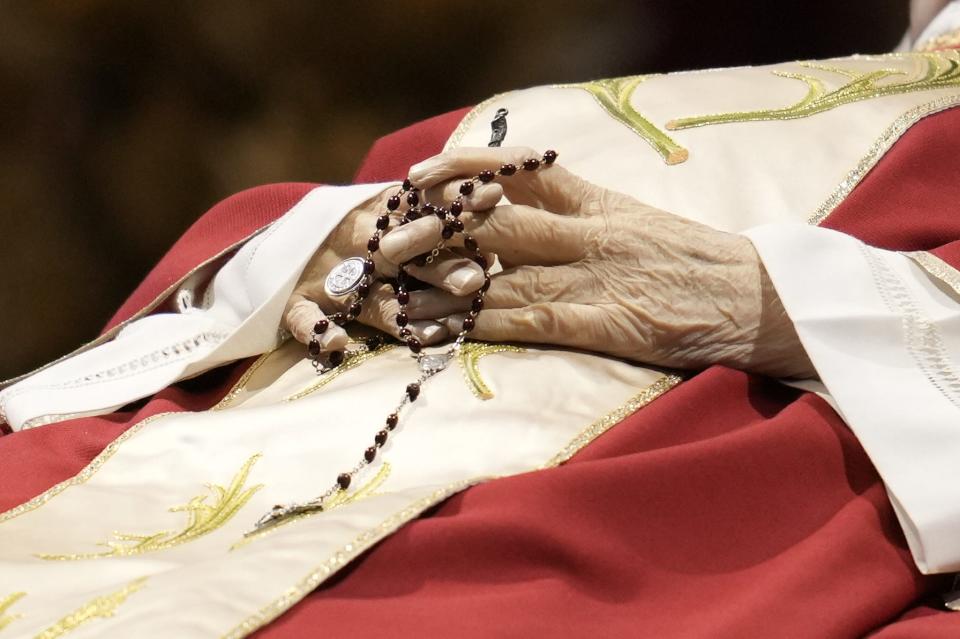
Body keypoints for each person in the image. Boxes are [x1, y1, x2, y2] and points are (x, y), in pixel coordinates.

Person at [3, 3, 960, 637]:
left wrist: (791, 307)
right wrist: (321, 241)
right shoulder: (850, 86)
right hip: (233, 433)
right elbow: (371, 192)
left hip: (702, 512)